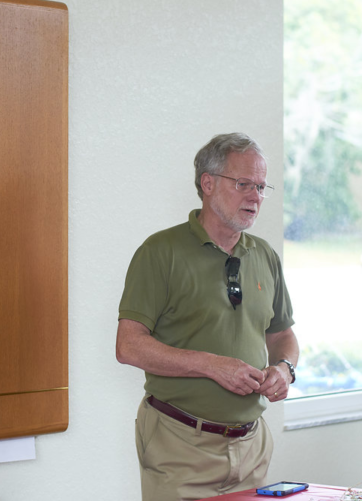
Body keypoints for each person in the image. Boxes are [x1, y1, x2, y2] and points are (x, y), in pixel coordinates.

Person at [116, 133, 300, 501]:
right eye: (243, 184)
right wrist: (212, 366)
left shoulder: (265, 256)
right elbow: (128, 346)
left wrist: (285, 369)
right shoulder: (160, 252)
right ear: (208, 183)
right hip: (179, 447)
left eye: (261, 187)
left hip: (252, 448)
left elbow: (283, 336)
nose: (255, 197)